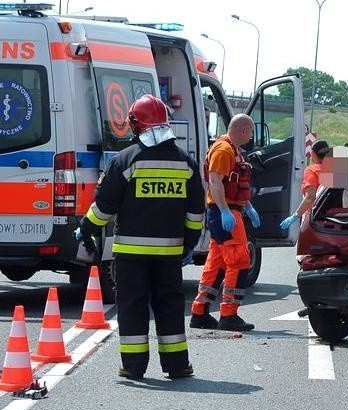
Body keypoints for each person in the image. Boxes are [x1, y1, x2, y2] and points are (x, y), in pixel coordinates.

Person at [77, 94, 204, 380]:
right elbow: (196, 212)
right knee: (170, 305)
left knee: (133, 307)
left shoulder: (126, 160)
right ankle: (177, 365)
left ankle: (133, 367)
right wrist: (189, 244)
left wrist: (86, 228)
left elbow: (104, 207)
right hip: (170, 254)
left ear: (136, 124)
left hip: (131, 255)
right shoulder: (186, 163)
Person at [190, 114, 261, 332]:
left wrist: (247, 206)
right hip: (225, 212)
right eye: (250, 132)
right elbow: (215, 181)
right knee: (239, 261)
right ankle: (229, 315)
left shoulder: (232, 150)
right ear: (242, 130)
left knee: (217, 263)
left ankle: (199, 313)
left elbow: (233, 182)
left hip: (227, 211)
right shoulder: (223, 150)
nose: (251, 137)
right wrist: (224, 211)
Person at [279, 139, 333, 231]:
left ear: (312, 154)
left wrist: (295, 215)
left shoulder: (312, 170)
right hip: (336, 219)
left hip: (314, 220)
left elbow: (310, 197)